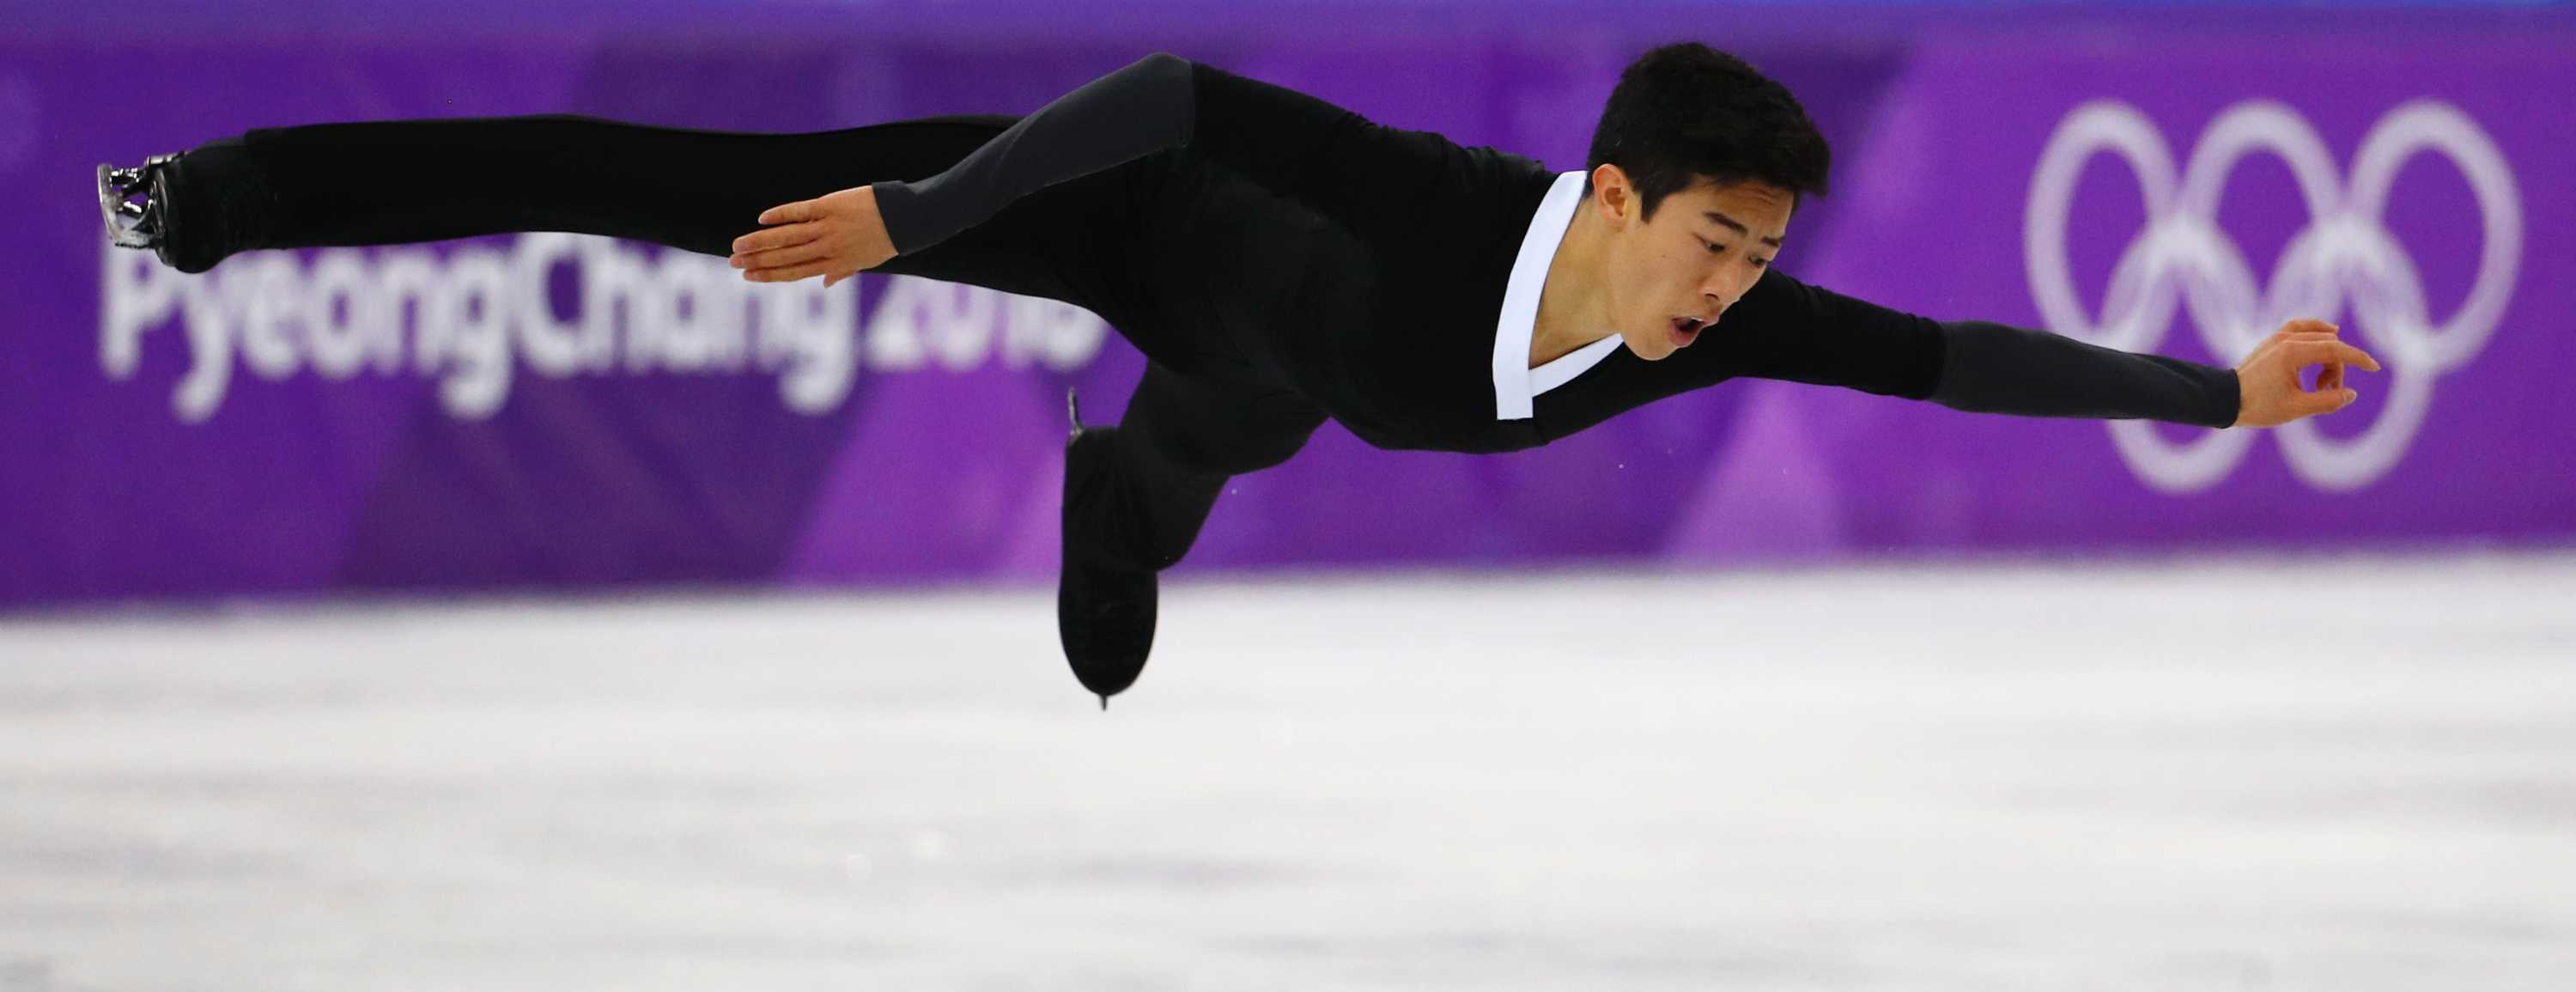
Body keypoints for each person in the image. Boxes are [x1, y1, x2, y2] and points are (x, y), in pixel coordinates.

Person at [98, 45, 2378, 706]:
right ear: (1608, 196)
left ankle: (1134, 496)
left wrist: (2221, 394)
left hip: (1252, 377)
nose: (1732, 290)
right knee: (650, 177)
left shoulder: (1723, 323)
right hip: (1102, 216)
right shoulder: (1431, 188)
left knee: (1260, 402)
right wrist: (919, 217)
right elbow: (1179, 91)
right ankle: (203, 196)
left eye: (1757, 257)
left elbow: (1954, 358)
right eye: (1707, 241)